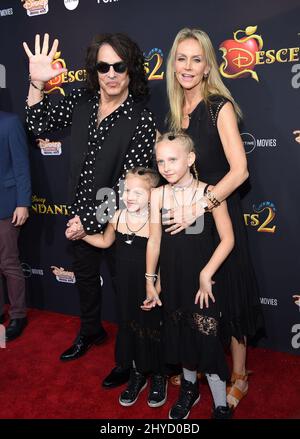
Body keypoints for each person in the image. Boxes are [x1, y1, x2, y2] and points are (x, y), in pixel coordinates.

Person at [23, 33, 156, 388]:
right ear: (94, 70)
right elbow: (38, 124)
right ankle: (91, 331)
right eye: (103, 66)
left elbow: (130, 185)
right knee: (85, 282)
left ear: (131, 71)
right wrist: (37, 83)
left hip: (118, 222)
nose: (111, 74)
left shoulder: (140, 119)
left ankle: (128, 360)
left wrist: (91, 222)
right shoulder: (81, 101)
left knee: (125, 290)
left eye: (119, 66)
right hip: (78, 217)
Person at [162, 28, 264, 408]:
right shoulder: (175, 111)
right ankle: (202, 360)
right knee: (198, 294)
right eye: (181, 58)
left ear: (207, 67)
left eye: (196, 59)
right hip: (190, 222)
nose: (188, 67)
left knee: (231, 292)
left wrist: (200, 203)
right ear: (173, 65)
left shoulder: (218, 107)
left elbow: (240, 171)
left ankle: (239, 374)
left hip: (219, 214)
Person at [146, 132, 234, 419]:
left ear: (191, 158)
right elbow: (155, 241)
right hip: (173, 280)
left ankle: (220, 403)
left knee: (207, 338)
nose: (166, 167)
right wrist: (152, 280)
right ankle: (189, 390)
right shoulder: (157, 194)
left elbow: (228, 239)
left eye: (172, 159)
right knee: (181, 335)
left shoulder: (210, 193)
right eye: (160, 161)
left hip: (203, 284)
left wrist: (207, 273)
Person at [68, 167, 167, 408]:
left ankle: (158, 375)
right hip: (124, 286)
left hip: (149, 287)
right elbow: (104, 241)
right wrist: (80, 235)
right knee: (129, 327)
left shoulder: (157, 220)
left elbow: (164, 257)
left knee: (151, 329)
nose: (129, 196)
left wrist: (156, 286)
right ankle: (136, 373)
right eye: (127, 191)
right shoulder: (118, 217)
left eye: (137, 192)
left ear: (153, 194)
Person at [0, 110, 31, 341]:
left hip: (7, 204)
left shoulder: (9, 123)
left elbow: (21, 166)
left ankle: (18, 315)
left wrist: (23, 203)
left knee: (9, 262)